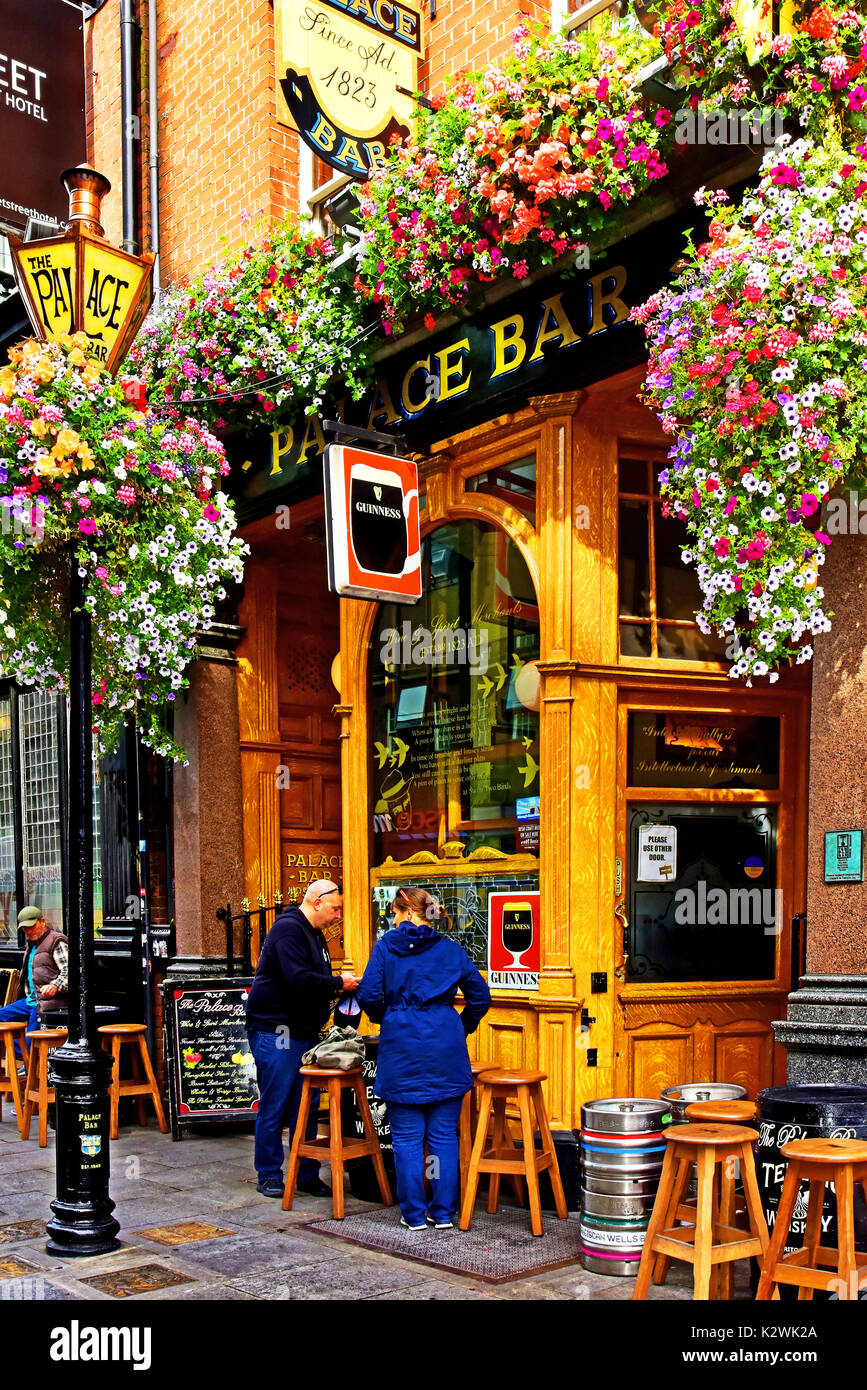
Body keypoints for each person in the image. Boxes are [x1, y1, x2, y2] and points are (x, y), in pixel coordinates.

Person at [356, 885, 491, 1230]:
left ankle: (414, 1214)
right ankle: (443, 1213)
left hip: (402, 1046)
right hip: (444, 1045)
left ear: (407, 912)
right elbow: (480, 996)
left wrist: (389, 1016)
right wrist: (460, 1027)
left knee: (406, 1137)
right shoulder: (450, 949)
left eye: (394, 912)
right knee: (444, 1135)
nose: (392, 918)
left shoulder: (387, 947)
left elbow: (368, 994)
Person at [244, 879, 358, 1198]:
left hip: (304, 1031)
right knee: (278, 1101)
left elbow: (313, 981)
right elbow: (298, 979)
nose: (338, 915)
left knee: (305, 1104)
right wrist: (340, 982)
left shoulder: (315, 933)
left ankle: (305, 1172)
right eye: (335, 908)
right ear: (317, 902)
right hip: (276, 1030)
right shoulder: (288, 930)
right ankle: (268, 1174)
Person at [0, 906, 68, 1058]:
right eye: (25, 929)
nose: (29, 932)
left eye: (32, 927)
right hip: (30, 1000)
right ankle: (26, 1055)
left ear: (42, 922)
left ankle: (29, 1060)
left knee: (32, 1040)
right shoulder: (31, 945)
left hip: (47, 1003)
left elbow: (70, 970)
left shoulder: (56, 941)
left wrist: (55, 986)